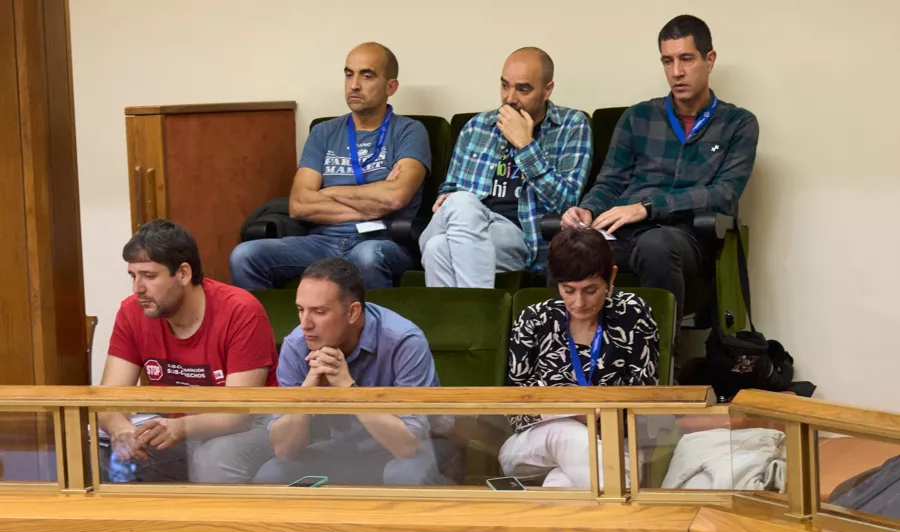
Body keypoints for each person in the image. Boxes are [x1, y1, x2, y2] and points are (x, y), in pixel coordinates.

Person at [562, 15, 759, 326]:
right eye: (667, 61)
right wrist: (587, 210)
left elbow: (723, 194)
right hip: (622, 233)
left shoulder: (738, 124)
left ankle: (662, 366)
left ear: (709, 60)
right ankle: (562, 364)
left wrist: (647, 208)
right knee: (567, 248)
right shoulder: (637, 117)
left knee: (656, 245)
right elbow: (610, 183)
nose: (676, 72)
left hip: (685, 235)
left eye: (686, 59)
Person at [230, 42, 431, 290]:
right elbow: (299, 204)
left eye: (367, 75)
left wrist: (330, 192)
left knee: (367, 256)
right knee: (245, 256)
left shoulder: (410, 131)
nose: (354, 84)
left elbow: (395, 197)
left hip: (382, 241)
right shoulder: (324, 132)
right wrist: (374, 202)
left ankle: (375, 330)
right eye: (349, 74)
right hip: (322, 241)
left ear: (391, 86)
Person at [98, 220, 279, 483]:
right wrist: (120, 429)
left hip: (252, 425)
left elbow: (237, 414)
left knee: (214, 457)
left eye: (149, 276)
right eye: (133, 276)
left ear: (183, 273)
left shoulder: (241, 310)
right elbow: (108, 401)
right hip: (175, 424)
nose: (137, 288)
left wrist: (181, 427)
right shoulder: (131, 312)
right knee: (104, 454)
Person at [252, 258, 460, 485]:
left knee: (404, 475)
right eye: (301, 310)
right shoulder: (297, 344)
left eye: (319, 312)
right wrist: (308, 390)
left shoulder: (404, 340)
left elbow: (406, 445)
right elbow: (284, 449)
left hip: (426, 445)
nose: (305, 324)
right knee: (272, 475)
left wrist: (349, 389)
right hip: (350, 449)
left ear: (352, 312)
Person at [499, 227, 660, 488]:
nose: (579, 302)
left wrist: (601, 413)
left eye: (590, 289)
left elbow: (646, 398)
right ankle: (619, 493)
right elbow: (513, 406)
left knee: (562, 484)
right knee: (565, 433)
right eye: (568, 290)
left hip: (615, 442)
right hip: (533, 446)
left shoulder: (634, 314)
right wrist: (564, 412)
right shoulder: (534, 319)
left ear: (612, 277)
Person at [419, 47, 592, 288]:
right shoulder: (477, 127)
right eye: (504, 85)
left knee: (437, 248)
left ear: (547, 90)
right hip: (459, 223)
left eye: (523, 89)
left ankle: (463, 316)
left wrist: (525, 145)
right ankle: (479, 305)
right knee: (462, 203)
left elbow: (567, 202)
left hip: (515, 237)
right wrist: (444, 198)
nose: (510, 98)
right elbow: (450, 186)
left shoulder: (572, 125)